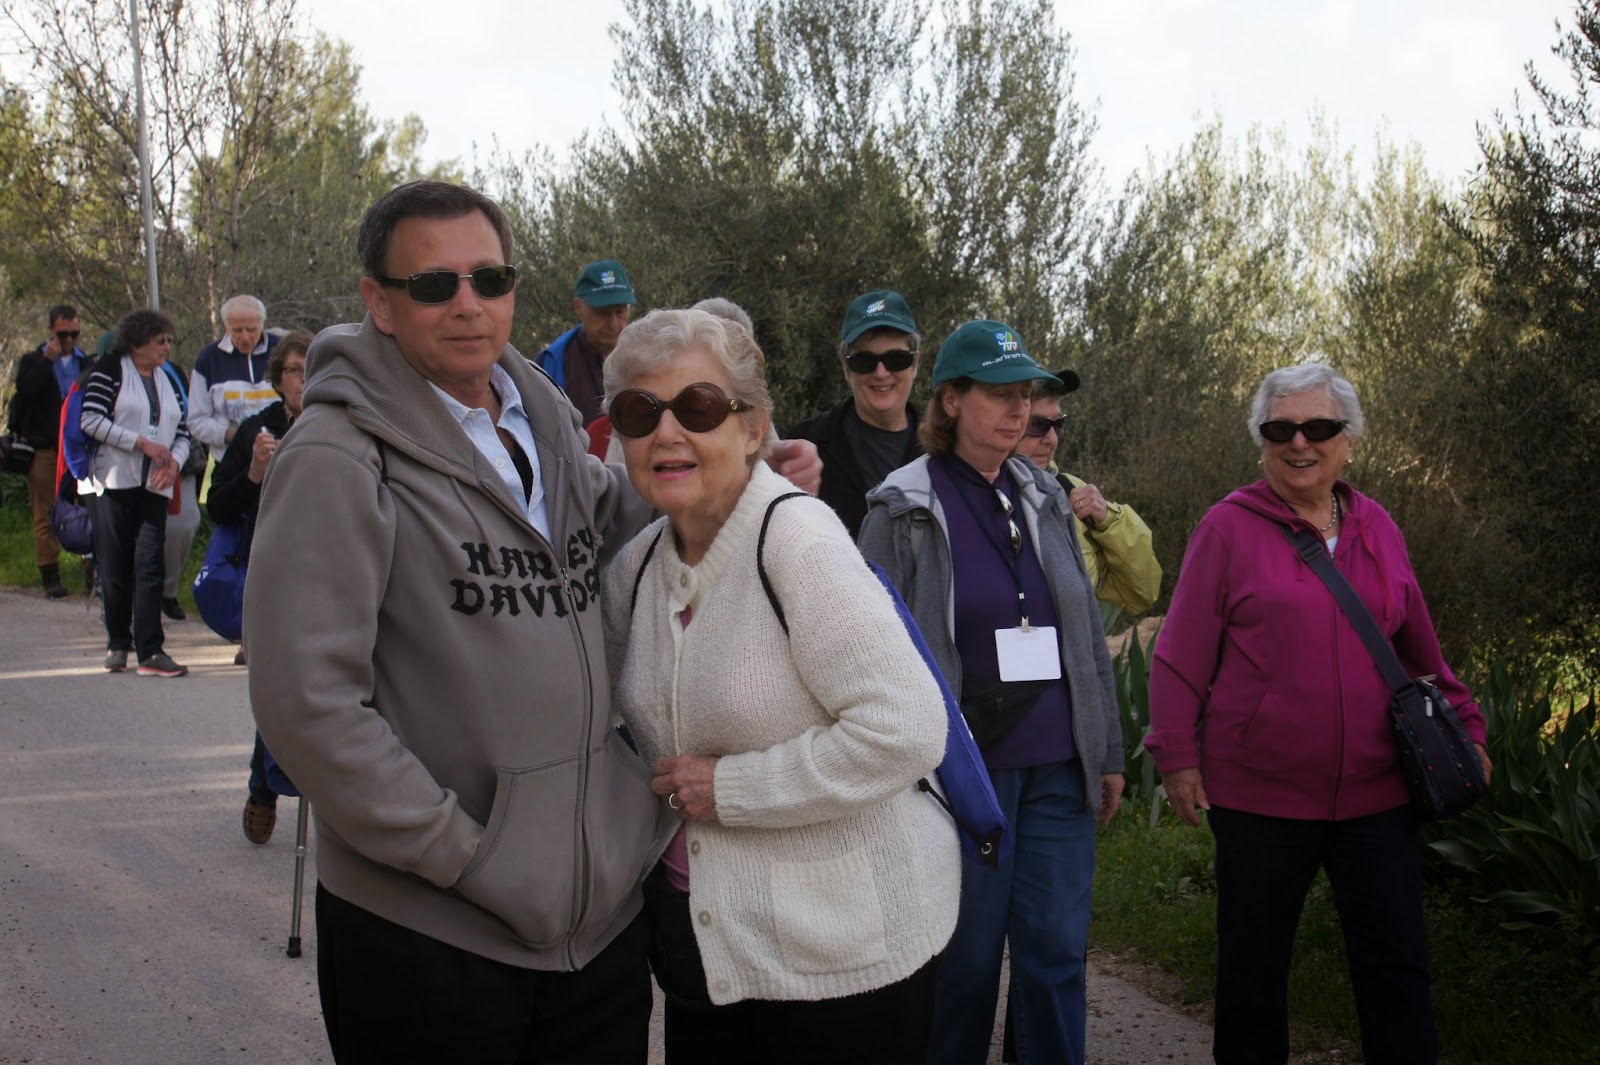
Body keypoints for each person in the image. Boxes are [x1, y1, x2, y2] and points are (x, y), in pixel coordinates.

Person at [243, 180, 819, 1063]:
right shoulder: (335, 459)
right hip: (432, 926)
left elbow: (618, 521)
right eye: (433, 284)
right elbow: (308, 708)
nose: (467, 304)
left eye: (490, 278)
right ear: (379, 304)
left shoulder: (535, 410)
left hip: (592, 925)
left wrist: (730, 470)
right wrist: (466, 855)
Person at [600, 308, 957, 1064]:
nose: (666, 433)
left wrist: (731, 788)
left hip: (843, 960)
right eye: (639, 412)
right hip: (709, 956)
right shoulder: (636, 569)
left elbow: (906, 729)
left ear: (753, 427)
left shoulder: (797, 540)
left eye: (698, 407)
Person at [1145, 363, 1492, 1065]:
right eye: (1281, 430)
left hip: (1376, 794)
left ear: (1349, 442)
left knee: (1396, 969)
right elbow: (1181, 653)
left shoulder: (1378, 527)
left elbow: (1420, 650)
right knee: (1252, 974)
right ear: (1262, 442)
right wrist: (1176, 754)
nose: (1299, 443)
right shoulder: (1227, 528)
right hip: (1260, 798)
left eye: (1319, 428)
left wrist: (1469, 729)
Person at [858, 320, 1123, 1065]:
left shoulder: (1045, 497)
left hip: (1058, 770)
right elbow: (864, 650)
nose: (1019, 409)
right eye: (1000, 393)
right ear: (950, 400)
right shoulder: (900, 509)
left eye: (1025, 394)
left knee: (1056, 958)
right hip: (961, 780)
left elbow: (1083, 630)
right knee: (965, 966)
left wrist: (1106, 749)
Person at [206, 331, 311, 844]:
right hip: (270, 579)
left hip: (331, 576)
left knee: (322, 688)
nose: (304, 380)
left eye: (312, 369)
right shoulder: (257, 430)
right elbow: (217, 507)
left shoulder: (345, 423)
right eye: (294, 370)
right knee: (280, 688)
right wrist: (253, 472)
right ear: (278, 379)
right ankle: (263, 788)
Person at [80, 309, 193, 678]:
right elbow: (90, 420)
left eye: (168, 341)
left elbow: (184, 431)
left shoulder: (169, 377)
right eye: (160, 341)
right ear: (138, 343)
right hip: (113, 481)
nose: (166, 348)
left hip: (155, 485)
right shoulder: (109, 370)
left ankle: (151, 650)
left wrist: (174, 463)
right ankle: (117, 643)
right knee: (115, 566)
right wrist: (140, 443)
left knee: (150, 565)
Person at [1017, 368, 1161, 617]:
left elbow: (1141, 593)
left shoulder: (1071, 492)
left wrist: (1109, 521)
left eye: (1057, 424)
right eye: (1037, 425)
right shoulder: (974, 495)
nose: (1052, 439)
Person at [784, 289, 924, 538]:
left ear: (915, 364)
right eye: (864, 361)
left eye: (896, 359)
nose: (881, 373)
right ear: (845, 366)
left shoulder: (943, 450)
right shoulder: (806, 443)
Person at [180, 295, 281, 620]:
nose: (244, 337)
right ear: (226, 327)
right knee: (240, 542)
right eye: (236, 330)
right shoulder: (209, 359)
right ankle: (238, 614)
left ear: (262, 325)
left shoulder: (280, 351)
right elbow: (196, 420)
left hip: (281, 463)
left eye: (251, 329)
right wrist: (235, 436)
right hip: (231, 464)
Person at [7, 304, 94, 598]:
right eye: (62, 334)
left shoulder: (87, 364)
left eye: (73, 334)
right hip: (45, 447)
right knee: (44, 512)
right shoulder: (33, 361)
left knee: (89, 509)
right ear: (51, 331)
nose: (68, 340)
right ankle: (50, 574)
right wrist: (47, 360)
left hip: (80, 448)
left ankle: (92, 571)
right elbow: (25, 392)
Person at [536, 258, 637, 424]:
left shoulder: (646, 354)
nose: (613, 324)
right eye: (603, 313)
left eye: (620, 312)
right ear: (579, 308)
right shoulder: (553, 363)